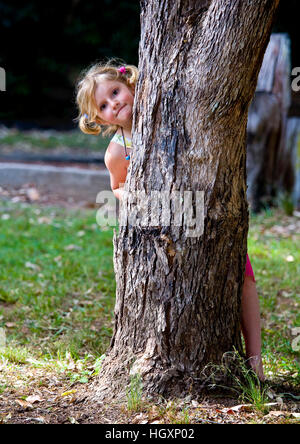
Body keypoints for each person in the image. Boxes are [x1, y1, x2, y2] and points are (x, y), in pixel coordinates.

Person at [75, 60, 265, 381]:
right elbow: (117, 187)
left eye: (116, 92)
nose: (114, 104)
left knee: (243, 277)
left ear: (132, 87)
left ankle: (255, 357)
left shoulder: (168, 118)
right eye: (104, 105)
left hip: (206, 211)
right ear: (98, 118)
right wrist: (134, 199)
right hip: (164, 226)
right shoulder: (117, 152)